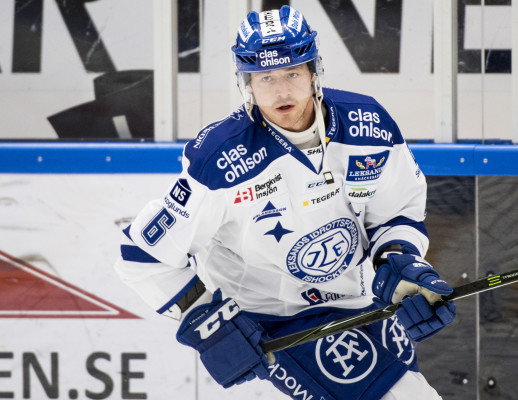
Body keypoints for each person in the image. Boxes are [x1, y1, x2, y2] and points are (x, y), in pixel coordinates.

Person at [115, 6, 456, 400]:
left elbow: (397, 212)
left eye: (293, 73)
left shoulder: (369, 123)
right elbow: (141, 257)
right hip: (269, 324)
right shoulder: (220, 159)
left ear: (314, 71)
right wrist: (206, 318)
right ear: (246, 83)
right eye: (265, 77)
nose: (281, 91)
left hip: (358, 303)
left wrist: (399, 261)